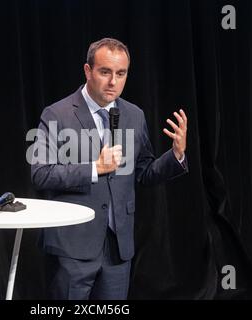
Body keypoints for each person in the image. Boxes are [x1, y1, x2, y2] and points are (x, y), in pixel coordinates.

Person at [31, 38, 188, 300]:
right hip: (73, 246)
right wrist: (95, 168)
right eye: (105, 72)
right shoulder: (56, 114)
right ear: (87, 70)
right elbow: (41, 174)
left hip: (118, 248)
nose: (113, 82)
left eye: (121, 73)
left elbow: (144, 171)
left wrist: (176, 155)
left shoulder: (134, 115)